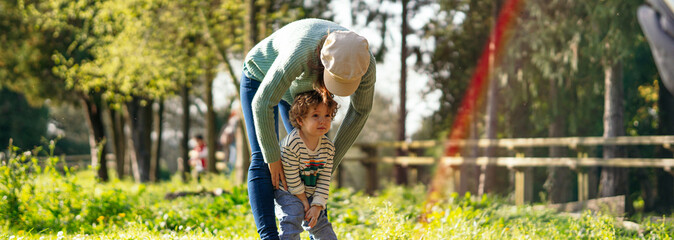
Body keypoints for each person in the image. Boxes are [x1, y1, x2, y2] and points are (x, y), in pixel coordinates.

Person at [240, 18, 376, 239]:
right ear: (324, 63)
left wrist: (328, 161)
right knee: (263, 159)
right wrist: (274, 157)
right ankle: (270, 237)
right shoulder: (300, 51)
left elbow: (360, 111)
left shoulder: (364, 61)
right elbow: (263, 103)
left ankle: (318, 231)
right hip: (262, 76)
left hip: (302, 88)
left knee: (312, 159)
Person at [275, 90, 338, 239]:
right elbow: (291, 177)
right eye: (315, 115)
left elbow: (324, 180)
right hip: (288, 191)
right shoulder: (291, 144)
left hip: (310, 192)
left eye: (327, 115)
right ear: (300, 120)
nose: (322, 120)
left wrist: (316, 205)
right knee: (293, 214)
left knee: (320, 222)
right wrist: (303, 200)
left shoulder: (328, 148)